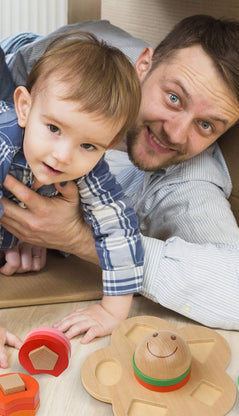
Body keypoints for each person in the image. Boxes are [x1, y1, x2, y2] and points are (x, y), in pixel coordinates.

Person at [0, 16, 239, 361]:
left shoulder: (188, 180)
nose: (176, 133)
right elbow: (17, 73)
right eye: (174, 98)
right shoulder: (90, 54)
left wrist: (74, 237)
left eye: (206, 125)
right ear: (143, 65)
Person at [0, 31, 145, 367]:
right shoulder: (5, 142)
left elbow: (120, 228)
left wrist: (112, 309)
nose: (63, 156)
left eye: (89, 145)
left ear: (108, 146)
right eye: (53, 128)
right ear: (24, 107)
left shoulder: (89, 167)